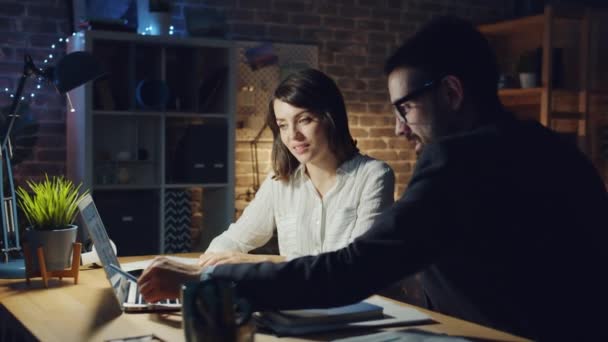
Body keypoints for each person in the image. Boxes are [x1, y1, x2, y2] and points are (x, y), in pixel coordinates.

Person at [138, 17, 608, 341]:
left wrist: (208, 283)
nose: (400, 128)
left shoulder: (457, 163)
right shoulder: (553, 150)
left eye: (405, 108)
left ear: (451, 92)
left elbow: (348, 270)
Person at [197, 68, 395, 266]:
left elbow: (355, 265)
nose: (293, 135)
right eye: (283, 125)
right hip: (293, 297)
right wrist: (209, 261)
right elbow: (234, 239)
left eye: (304, 120)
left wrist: (260, 261)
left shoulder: (373, 176)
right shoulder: (279, 181)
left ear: (330, 118)